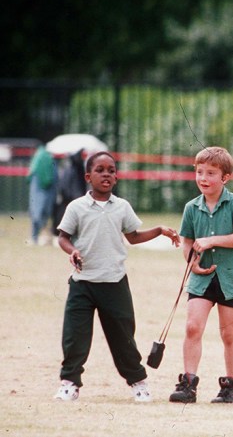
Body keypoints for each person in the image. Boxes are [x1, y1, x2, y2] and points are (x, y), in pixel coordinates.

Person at [54, 151, 180, 402]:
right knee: (75, 337)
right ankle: (69, 383)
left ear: (116, 177)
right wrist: (73, 251)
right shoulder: (77, 207)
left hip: (114, 282)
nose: (106, 174)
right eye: (100, 170)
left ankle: (138, 383)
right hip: (83, 283)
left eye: (111, 170)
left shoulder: (122, 207)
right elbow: (63, 237)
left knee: (123, 337)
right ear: (88, 176)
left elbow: (133, 237)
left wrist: (159, 230)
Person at [169, 147, 233, 404]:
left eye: (211, 173)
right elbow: (187, 242)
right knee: (192, 327)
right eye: (199, 172)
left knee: (229, 334)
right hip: (201, 278)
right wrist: (191, 261)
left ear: (225, 178)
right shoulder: (191, 208)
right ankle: (188, 384)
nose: (203, 178)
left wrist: (210, 241)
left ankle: (231, 387)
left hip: (231, 279)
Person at [27, 145, 58, 245]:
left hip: (36, 194)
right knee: (45, 215)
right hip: (48, 194)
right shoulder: (51, 161)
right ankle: (45, 237)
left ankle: (35, 237)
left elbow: (28, 177)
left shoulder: (37, 160)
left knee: (36, 215)